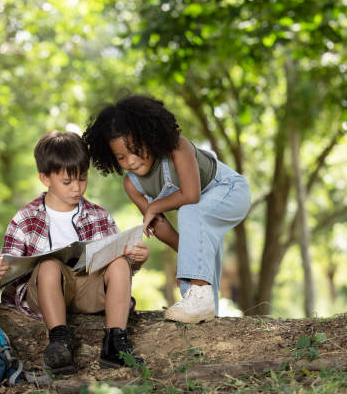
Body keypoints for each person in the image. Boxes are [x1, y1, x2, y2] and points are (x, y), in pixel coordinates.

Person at [83, 95, 251, 324]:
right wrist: (192, 251)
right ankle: (203, 309)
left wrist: (155, 205)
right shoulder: (132, 184)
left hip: (230, 191)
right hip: (201, 211)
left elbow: (191, 195)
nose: (130, 161)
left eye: (135, 150)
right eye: (121, 157)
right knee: (197, 259)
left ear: (150, 137)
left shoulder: (177, 147)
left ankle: (199, 298)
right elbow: (158, 224)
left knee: (190, 212)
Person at [0, 130, 149, 374]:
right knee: (49, 266)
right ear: (45, 178)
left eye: (82, 179)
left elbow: (118, 264)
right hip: (46, 291)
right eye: (67, 182)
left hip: (88, 289)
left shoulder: (99, 215)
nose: (77, 188)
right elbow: (7, 268)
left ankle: (115, 344)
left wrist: (135, 259)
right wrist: (0, 267)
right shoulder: (25, 218)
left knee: (118, 263)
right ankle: (59, 343)